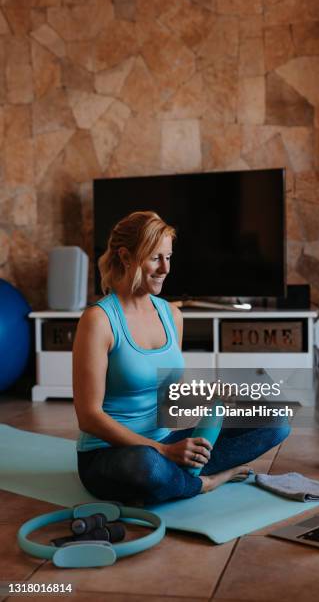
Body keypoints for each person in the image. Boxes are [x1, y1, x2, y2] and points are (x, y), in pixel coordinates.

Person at [74, 211, 291, 505]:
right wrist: (161, 452)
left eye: (169, 257)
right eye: (155, 258)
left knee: (276, 420)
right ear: (126, 257)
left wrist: (212, 396)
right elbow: (89, 417)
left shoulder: (171, 315)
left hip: (165, 445)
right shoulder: (98, 321)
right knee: (146, 467)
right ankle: (204, 482)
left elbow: (167, 389)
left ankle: (177, 477)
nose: (165, 268)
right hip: (111, 453)